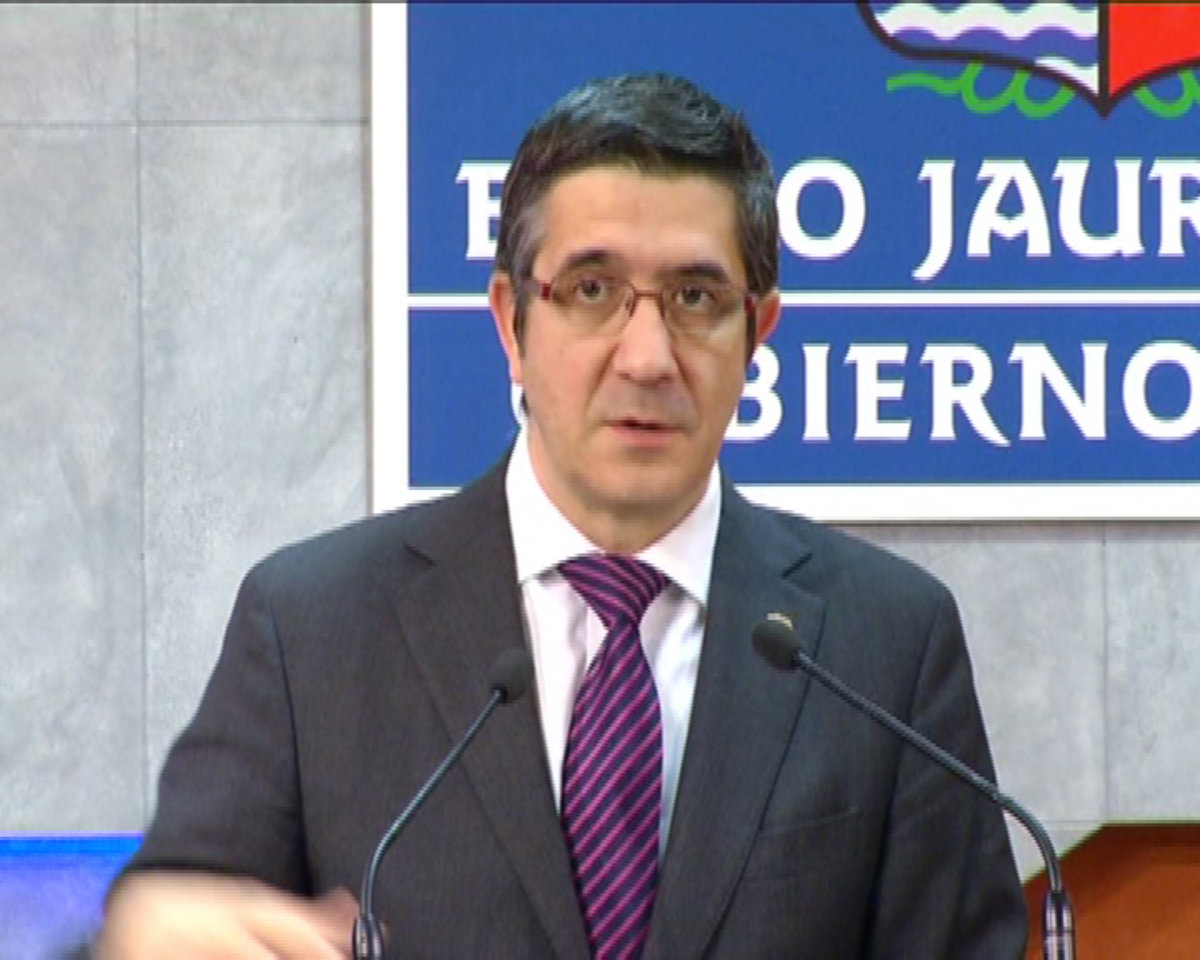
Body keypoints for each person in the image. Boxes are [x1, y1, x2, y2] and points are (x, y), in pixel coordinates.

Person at [99, 72, 1027, 958]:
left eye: (696, 298)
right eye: (592, 291)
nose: (647, 357)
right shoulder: (314, 629)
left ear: (758, 331)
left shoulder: (884, 647)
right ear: (512, 321)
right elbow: (164, 929)